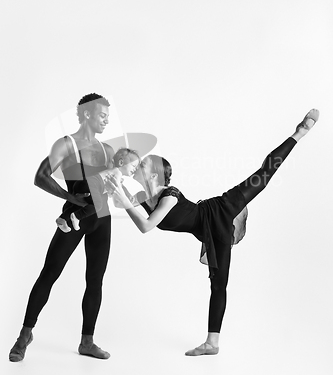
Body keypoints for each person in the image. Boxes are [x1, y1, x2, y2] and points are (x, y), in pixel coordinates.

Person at [107, 109, 319, 356]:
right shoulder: (144, 198)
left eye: (142, 164)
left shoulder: (170, 196)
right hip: (209, 229)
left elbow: (146, 226)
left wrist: (124, 198)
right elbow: (121, 200)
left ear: (154, 173)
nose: (137, 166)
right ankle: (213, 344)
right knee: (218, 285)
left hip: (220, 210)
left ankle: (299, 132)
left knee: (263, 175)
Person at [9, 93, 115, 362]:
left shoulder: (108, 150)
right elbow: (40, 177)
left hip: (101, 219)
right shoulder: (66, 145)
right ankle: (24, 335)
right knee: (50, 273)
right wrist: (71, 199)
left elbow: (113, 184)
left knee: (95, 280)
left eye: (108, 116)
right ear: (87, 114)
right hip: (73, 218)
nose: (107, 120)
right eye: (103, 115)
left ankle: (87, 342)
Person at [56, 148, 140, 233]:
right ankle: (77, 217)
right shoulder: (117, 173)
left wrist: (128, 194)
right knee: (98, 205)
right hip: (91, 184)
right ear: (121, 162)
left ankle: (62, 219)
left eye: (136, 168)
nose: (135, 169)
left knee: (83, 204)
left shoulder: (115, 174)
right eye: (133, 166)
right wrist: (126, 198)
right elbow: (118, 189)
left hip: (84, 184)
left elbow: (120, 187)